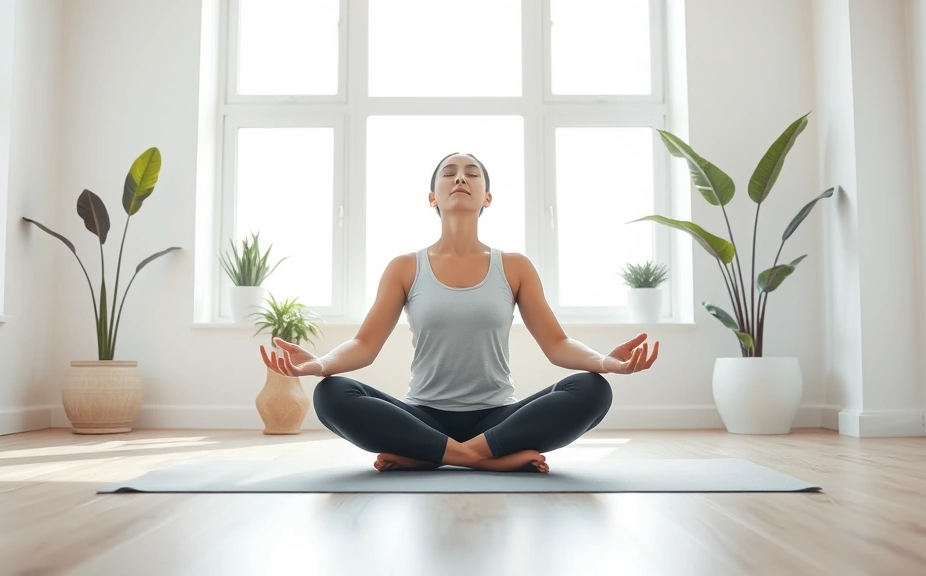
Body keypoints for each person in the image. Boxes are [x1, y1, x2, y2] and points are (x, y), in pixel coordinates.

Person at [259, 152, 659, 473]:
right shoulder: (405, 267)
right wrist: (321, 364)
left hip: (499, 420)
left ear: (487, 197)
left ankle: (432, 458)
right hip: (422, 419)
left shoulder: (515, 266)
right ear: (433, 197)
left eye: (472, 174)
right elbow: (364, 345)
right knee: (331, 394)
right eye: (448, 173)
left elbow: (556, 344)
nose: (460, 178)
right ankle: (483, 460)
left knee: (592, 389)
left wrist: (605, 362)